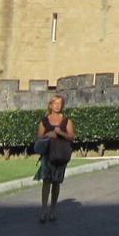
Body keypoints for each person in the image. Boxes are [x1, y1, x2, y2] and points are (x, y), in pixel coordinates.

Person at [34, 94, 75, 222]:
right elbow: (39, 137)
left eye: (59, 104)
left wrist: (60, 133)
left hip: (61, 154)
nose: (57, 106)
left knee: (56, 183)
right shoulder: (44, 120)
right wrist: (48, 134)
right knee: (46, 181)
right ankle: (43, 211)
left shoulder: (66, 121)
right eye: (55, 103)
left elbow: (72, 137)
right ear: (50, 105)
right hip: (47, 154)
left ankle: (52, 211)